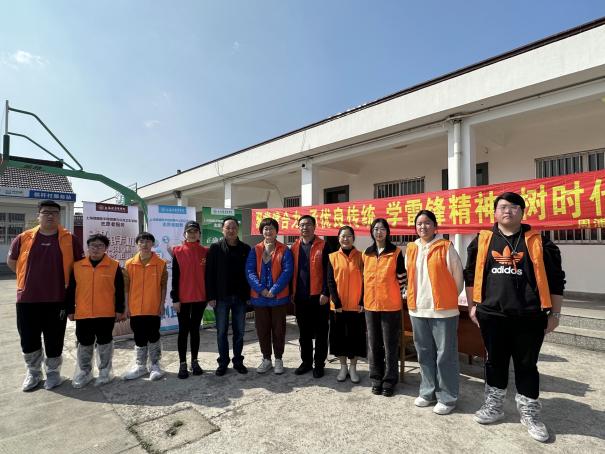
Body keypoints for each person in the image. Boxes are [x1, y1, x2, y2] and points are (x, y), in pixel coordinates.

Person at [464, 192, 565, 443]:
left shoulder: (540, 242)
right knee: (494, 362)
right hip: (492, 314)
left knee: (526, 365)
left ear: (522, 212)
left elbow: (556, 280)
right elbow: (470, 275)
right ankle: (494, 406)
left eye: (513, 207)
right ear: (495, 212)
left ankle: (530, 413)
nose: (507, 211)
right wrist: (473, 306)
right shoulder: (482, 240)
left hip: (529, 316)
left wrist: (555, 313)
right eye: (502, 207)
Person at [7, 200, 84, 391]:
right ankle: (33, 373)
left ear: (59, 216)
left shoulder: (70, 239)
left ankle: (53, 373)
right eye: (46, 212)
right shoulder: (23, 238)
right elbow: (12, 261)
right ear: (38, 215)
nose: (50, 215)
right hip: (27, 299)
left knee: (54, 338)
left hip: (58, 299)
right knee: (28, 338)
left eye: (54, 213)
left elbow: (79, 267)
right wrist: (28, 278)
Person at [405, 210, 464, 415]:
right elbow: (410, 276)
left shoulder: (446, 247)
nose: (423, 227)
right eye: (419, 224)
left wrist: (446, 298)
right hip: (417, 309)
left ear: (435, 226)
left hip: (443, 311)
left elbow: (458, 279)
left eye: (427, 223)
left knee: (445, 355)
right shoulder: (411, 248)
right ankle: (427, 392)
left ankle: (448, 397)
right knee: (424, 353)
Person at [66, 234, 125, 388]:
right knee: (84, 342)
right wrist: (70, 309)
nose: (96, 249)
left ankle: (105, 371)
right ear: (88, 247)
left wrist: (119, 309)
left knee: (104, 342)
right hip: (83, 312)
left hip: (105, 312)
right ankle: (85, 372)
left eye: (100, 246)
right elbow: (71, 290)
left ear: (106, 248)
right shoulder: (78, 266)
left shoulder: (114, 265)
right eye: (93, 245)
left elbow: (119, 290)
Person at [362, 218, 405, 397]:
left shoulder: (396, 252)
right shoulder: (366, 253)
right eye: (376, 229)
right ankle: (376, 378)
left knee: (390, 344)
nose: (379, 232)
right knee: (373, 344)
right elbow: (364, 279)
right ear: (372, 232)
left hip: (390, 305)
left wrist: (395, 294)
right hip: (370, 305)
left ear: (387, 232)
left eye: (382, 229)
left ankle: (389, 379)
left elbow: (402, 279)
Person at [246, 218, 293, 374]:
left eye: (271, 228)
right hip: (259, 298)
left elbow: (287, 271)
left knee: (279, 330)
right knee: (262, 330)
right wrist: (261, 289)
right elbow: (250, 271)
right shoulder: (255, 250)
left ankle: (278, 359)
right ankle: (266, 359)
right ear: (261, 231)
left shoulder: (284, 250)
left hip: (278, 298)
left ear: (276, 231)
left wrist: (274, 289)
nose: (268, 231)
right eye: (265, 229)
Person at [206, 216, 251, 376]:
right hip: (221, 297)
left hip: (240, 297)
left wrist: (248, 295)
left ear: (238, 229)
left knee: (239, 332)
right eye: (228, 228)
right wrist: (211, 296)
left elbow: (250, 273)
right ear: (222, 230)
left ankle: (238, 361)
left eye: (234, 228)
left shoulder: (245, 248)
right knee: (221, 332)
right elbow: (209, 273)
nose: (231, 230)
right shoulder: (215, 248)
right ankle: (223, 362)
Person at [122, 232, 168, 381]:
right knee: (139, 336)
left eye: (148, 241)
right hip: (135, 308)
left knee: (154, 336)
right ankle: (140, 366)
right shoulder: (129, 264)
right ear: (137, 244)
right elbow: (126, 287)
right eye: (141, 241)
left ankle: (155, 365)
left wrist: (161, 304)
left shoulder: (161, 264)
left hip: (153, 307)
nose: (145, 244)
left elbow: (163, 287)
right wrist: (126, 306)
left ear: (152, 244)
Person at [290, 215, 331, 378]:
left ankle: (319, 364)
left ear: (314, 227)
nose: (305, 227)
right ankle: (306, 362)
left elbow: (329, 272)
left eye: (308, 224)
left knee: (321, 332)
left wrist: (326, 292)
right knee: (304, 332)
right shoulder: (294, 247)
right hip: (300, 297)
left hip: (319, 297)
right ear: (298, 228)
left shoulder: (324, 246)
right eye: (301, 225)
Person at [327, 225, 366, 383]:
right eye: (343, 236)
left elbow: (366, 281)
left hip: (356, 306)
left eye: (349, 236)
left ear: (353, 238)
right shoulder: (332, 257)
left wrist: (362, 300)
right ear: (338, 238)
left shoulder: (362, 257)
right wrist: (336, 302)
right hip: (338, 307)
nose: (346, 239)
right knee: (339, 338)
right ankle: (343, 367)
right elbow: (330, 281)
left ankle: (353, 368)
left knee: (355, 338)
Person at [170, 221, 208, 379]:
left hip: (200, 297)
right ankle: (182, 363)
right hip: (183, 298)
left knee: (195, 330)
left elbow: (209, 276)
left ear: (199, 234)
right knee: (183, 331)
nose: (192, 234)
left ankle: (194, 361)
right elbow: (175, 277)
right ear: (184, 234)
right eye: (189, 231)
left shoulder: (205, 251)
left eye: (195, 231)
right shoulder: (177, 251)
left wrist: (210, 296)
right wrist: (175, 298)